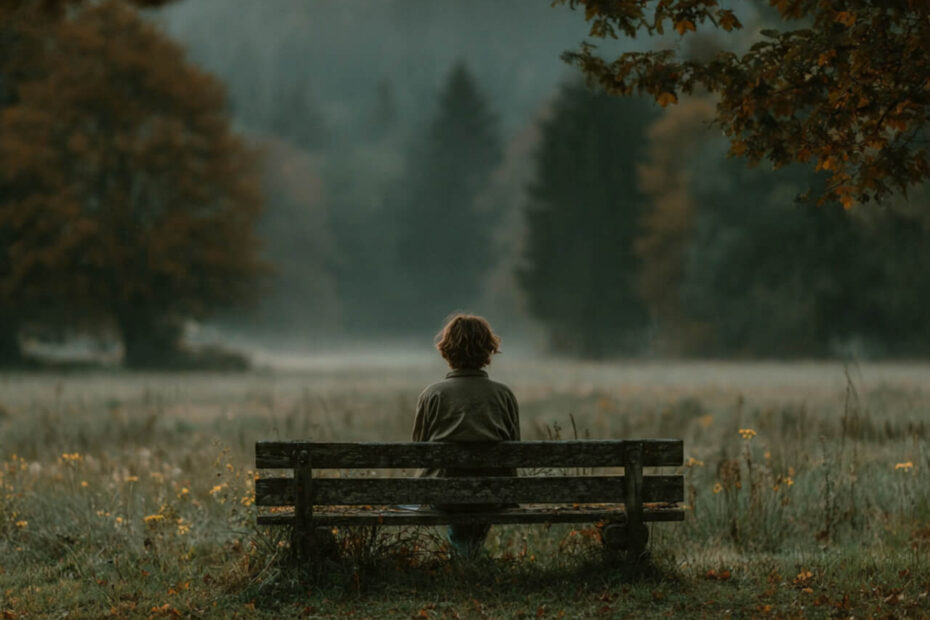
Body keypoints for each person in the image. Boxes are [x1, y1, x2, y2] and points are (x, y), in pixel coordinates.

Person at [412, 313, 520, 556]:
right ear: (488, 351)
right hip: (491, 494)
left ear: (447, 351)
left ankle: (464, 556)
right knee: (478, 499)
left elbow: (417, 452)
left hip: (444, 496)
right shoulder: (503, 395)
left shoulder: (432, 395)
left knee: (454, 494)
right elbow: (514, 452)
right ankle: (468, 555)